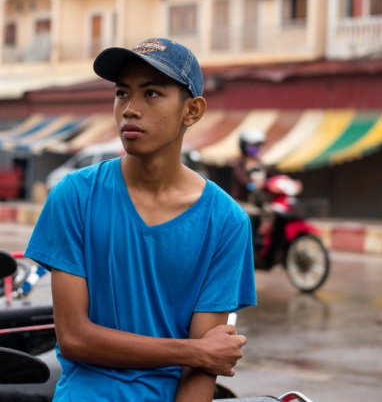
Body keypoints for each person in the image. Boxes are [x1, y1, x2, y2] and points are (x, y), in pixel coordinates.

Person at [24, 37, 256, 402]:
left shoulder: (225, 222)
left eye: (151, 94)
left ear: (191, 111)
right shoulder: (75, 195)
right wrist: (192, 351)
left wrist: (200, 355)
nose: (130, 109)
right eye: (121, 94)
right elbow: (73, 338)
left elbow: (202, 373)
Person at [230, 128, 268, 204]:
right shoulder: (239, 164)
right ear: (244, 145)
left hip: (260, 203)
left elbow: (271, 175)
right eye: (253, 145)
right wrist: (252, 186)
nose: (257, 148)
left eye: (258, 145)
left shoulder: (260, 163)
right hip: (243, 203)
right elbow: (244, 181)